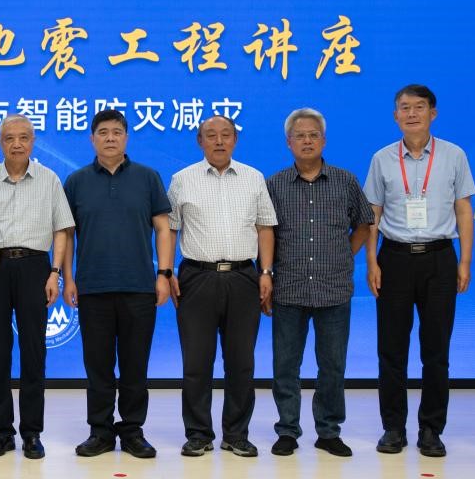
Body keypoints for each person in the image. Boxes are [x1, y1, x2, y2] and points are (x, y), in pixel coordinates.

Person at [364, 84, 475, 457]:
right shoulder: (382, 158)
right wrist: (372, 261)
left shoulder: (454, 155)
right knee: (391, 350)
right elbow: (373, 214)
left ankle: (431, 429)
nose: (412, 114)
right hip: (394, 259)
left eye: (419, 107)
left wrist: (464, 261)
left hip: (439, 258)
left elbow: (463, 209)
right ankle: (393, 428)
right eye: (404, 107)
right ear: (395, 115)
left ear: (433, 113)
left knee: (436, 351)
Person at [63, 109, 174, 459]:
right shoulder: (77, 181)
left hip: (139, 286)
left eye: (116, 132)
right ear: (92, 139)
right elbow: (67, 234)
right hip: (92, 287)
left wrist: (164, 274)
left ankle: (132, 431)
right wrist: (68, 277)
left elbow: (163, 229)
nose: (110, 138)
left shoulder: (148, 177)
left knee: (134, 365)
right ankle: (100, 431)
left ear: (126, 138)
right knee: (97, 366)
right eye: (103, 132)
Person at [265, 109, 373, 458]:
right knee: (286, 365)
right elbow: (265, 233)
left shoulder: (345, 180)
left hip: (334, 287)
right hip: (289, 287)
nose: (307, 141)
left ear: (324, 140)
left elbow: (364, 223)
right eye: (300, 136)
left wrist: (344, 253)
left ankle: (328, 431)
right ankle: (287, 430)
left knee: (332, 366)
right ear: (289, 142)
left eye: (313, 135)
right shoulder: (274, 184)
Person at [168, 116, 278, 458]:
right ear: (199, 141)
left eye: (226, 135)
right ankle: (198, 433)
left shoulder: (253, 177)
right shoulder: (182, 179)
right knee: (196, 362)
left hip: (244, 276)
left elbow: (265, 228)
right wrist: (166, 272)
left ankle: (236, 434)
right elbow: (170, 228)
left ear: (235, 140)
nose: (219, 141)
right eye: (211, 135)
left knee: (241, 362)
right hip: (197, 277)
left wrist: (266, 271)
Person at [0, 114, 74, 459]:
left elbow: (62, 228)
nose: (17, 144)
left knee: (33, 352)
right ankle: (2, 432)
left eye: (24, 137)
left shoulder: (49, 179)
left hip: (34, 268)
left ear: (33, 141)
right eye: (9, 138)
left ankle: (31, 433)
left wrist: (54, 273)